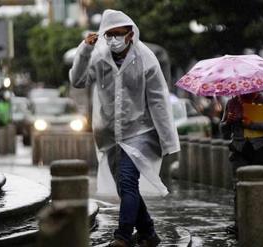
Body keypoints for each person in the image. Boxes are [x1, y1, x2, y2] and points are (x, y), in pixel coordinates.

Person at [69, 9, 180, 247]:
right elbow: (78, 81)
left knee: (128, 182)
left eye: (118, 34)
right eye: (108, 34)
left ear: (130, 34)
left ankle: (122, 237)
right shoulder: (98, 57)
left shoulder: (145, 58)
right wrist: (84, 49)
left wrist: (168, 140)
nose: (113, 39)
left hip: (140, 132)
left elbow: (159, 100)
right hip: (109, 134)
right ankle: (149, 234)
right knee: (124, 188)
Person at [220, 92, 263, 237]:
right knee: (238, 187)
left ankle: (262, 223)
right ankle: (239, 224)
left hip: (261, 149)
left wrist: (252, 124)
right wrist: (228, 121)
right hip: (239, 150)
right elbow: (224, 132)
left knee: (262, 187)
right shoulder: (231, 102)